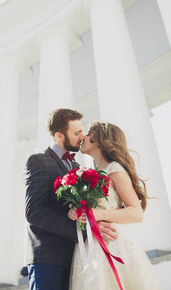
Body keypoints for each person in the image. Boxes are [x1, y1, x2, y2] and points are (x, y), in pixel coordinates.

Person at [24, 109, 117, 290]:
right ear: (59, 135)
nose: (82, 136)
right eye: (76, 133)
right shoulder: (38, 160)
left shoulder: (77, 167)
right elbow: (34, 212)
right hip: (47, 258)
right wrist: (82, 232)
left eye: (82, 131)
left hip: (76, 257)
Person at [68, 121, 161, 289]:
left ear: (98, 141)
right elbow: (89, 210)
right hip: (89, 245)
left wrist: (98, 214)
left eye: (88, 133)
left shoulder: (114, 168)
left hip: (113, 242)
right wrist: (77, 211)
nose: (83, 137)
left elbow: (136, 213)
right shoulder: (89, 173)